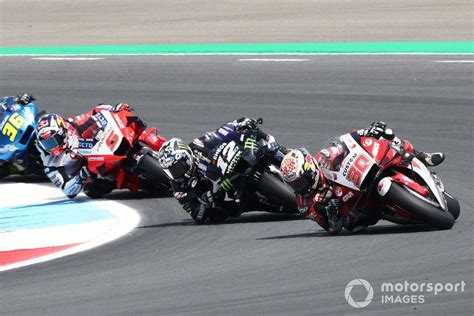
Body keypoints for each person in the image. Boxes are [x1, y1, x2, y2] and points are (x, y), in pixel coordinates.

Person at [279, 121, 445, 235]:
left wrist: (367, 132)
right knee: (356, 226)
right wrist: (333, 216)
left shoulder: (323, 158)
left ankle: (421, 156)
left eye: (300, 181)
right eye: (294, 185)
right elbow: (331, 228)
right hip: (356, 212)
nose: (299, 187)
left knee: (386, 136)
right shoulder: (305, 204)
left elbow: (346, 142)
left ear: (310, 169)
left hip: (358, 180)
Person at [157, 117, 289, 223]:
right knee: (223, 214)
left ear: (186, 158)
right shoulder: (178, 188)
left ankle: (295, 160)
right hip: (227, 193)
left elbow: (220, 133)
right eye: (170, 171)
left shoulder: (199, 146)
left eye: (176, 168)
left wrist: (238, 124)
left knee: (267, 145)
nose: (176, 173)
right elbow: (197, 213)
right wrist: (206, 203)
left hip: (234, 166)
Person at [35, 102, 135, 198]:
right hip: (88, 170)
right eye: (46, 144)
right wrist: (80, 176)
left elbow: (96, 111)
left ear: (61, 132)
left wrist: (114, 109)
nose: (51, 147)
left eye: (53, 141)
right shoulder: (49, 164)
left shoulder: (72, 124)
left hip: (100, 149)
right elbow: (66, 190)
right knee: (91, 190)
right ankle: (123, 182)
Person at [0, 93, 40, 178]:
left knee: (45, 120)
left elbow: (6, 101)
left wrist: (19, 99)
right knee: (4, 169)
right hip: (10, 143)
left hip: (22, 124)